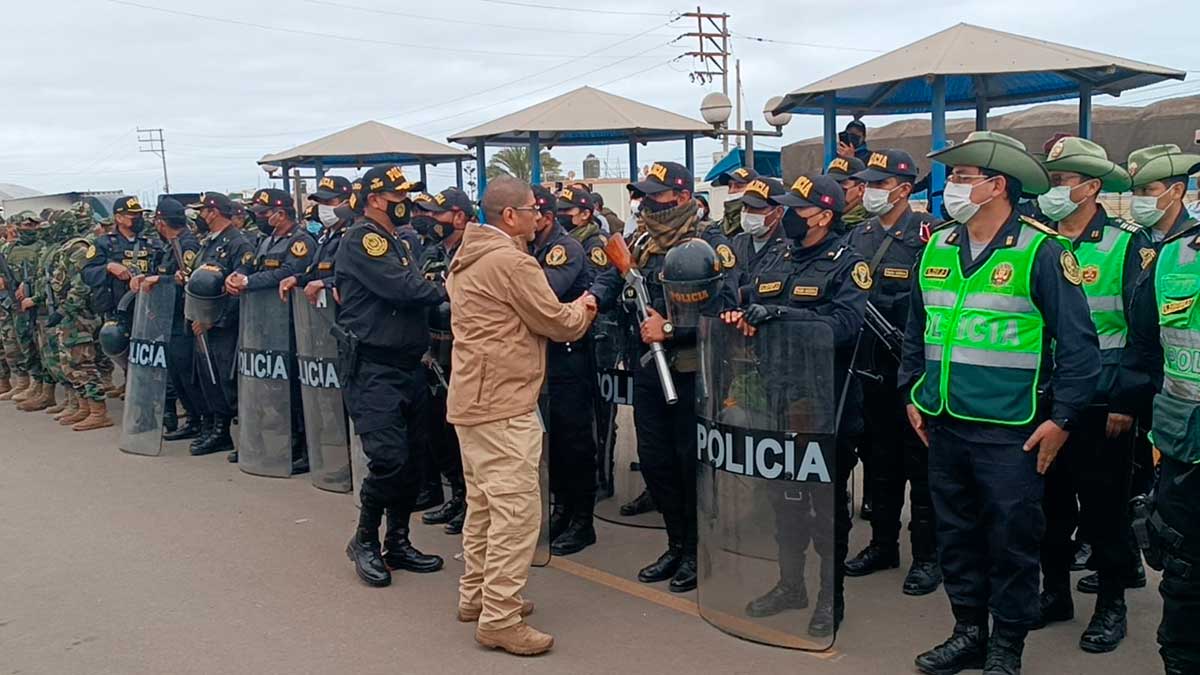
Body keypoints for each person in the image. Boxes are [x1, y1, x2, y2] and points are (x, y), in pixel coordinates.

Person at [901, 131, 1101, 675]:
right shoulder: (938, 245)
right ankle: (968, 631)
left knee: (1012, 543)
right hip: (942, 423)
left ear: (997, 186)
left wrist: (1062, 419)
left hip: (1010, 430)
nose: (952, 188)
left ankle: (1005, 647)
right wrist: (912, 391)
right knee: (957, 538)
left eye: (963, 178)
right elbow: (917, 330)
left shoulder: (1042, 251)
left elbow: (1080, 348)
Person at [445, 175, 596, 656]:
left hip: (473, 397)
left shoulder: (468, 255)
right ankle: (500, 618)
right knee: (517, 512)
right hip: (504, 403)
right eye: (532, 209)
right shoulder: (511, 262)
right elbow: (558, 321)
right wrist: (589, 302)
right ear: (509, 216)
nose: (539, 215)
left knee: (485, 506)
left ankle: (476, 596)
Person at [723, 172, 868, 636]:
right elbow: (747, 294)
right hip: (775, 396)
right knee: (783, 500)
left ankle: (831, 597)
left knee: (825, 508)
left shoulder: (849, 262)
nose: (787, 217)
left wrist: (782, 314)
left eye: (797, 210)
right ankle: (791, 585)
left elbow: (845, 325)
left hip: (824, 402)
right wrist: (733, 308)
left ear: (825, 216)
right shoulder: (779, 256)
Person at [590, 161, 736, 593]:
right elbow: (613, 285)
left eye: (659, 196)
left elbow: (724, 316)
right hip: (650, 369)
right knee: (655, 463)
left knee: (689, 464)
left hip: (696, 373)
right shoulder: (642, 245)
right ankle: (675, 544)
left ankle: (697, 550)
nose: (649, 204)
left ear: (684, 198)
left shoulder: (712, 245)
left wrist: (671, 330)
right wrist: (594, 298)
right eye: (644, 196)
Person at [1027, 137, 1146, 654]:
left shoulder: (1126, 243)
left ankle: (1111, 605)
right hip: (1046, 398)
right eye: (1051, 181)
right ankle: (1054, 594)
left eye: (1063, 181)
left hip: (1103, 401)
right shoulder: (1038, 239)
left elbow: (1143, 330)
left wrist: (1126, 399)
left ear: (1092, 187)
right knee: (1049, 509)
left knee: (1104, 510)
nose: (1054, 191)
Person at [1112, 144, 1200, 675]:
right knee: (1185, 578)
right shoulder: (1176, 254)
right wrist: (1129, 405)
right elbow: (1145, 345)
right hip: (1186, 448)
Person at [336, 165, 445, 589]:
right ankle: (365, 540)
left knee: (414, 460)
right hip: (374, 367)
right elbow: (406, 289)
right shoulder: (365, 238)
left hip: (407, 364)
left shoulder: (396, 241)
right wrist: (453, 288)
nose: (408, 204)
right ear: (377, 200)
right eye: (400, 197)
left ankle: (397, 541)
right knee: (389, 459)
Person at [841, 149, 942, 596]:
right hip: (869, 370)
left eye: (879, 184)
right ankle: (883, 543)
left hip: (911, 371)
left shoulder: (929, 235)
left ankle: (927, 556)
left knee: (920, 467)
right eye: (867, 183)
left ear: (903, 189)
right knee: (878, 462)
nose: (869, 191)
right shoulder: (859, 235)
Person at [226, 188, 315, 472]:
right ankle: (278, 442)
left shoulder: (300, 241)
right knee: (270, 389)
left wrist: (250, 283)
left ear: (281, 212)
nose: (260, 219)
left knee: (294, 390)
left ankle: (302, 447)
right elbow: (251, 266)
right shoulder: (265, 240)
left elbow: (287, 273)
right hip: (265, 324)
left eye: (264, 214)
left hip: (292, 325)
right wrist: (239, 274)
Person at [534, 185, 602, 556]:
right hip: (546, 356)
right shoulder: (533, 249)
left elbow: (543, 292)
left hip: (570, 355)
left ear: (544, 218)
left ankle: (582, 520)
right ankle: (562, 509)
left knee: (575, 441)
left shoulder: (565, 249)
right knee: (554, 441)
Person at [413, 187, 475, 535]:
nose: (430, 220)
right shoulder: (432, 252)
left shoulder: (475, 253)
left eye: (437, 214)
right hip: (434, 354)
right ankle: (457, 494)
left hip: (465, 355)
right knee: (439, 431)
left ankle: (471, 501)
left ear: (459, 217)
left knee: (465, 434)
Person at [185, 192, 254, 457]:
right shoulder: (209, 242)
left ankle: (243, 436)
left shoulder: (238, 243)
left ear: (214, 212)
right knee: (208, 380)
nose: (201, 216)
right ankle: (219, 431)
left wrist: (213, 320)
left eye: (203, 211)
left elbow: (239, 287)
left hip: (224, 326)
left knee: (228, 382)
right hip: (200, 321)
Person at [134, 197, 204, 441]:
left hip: (184, 318)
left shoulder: (186, 245)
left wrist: (159, 281)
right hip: (168, 317)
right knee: (176, 374)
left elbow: (188, 279)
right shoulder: (169, 245)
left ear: (162, 222)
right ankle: (193, 420)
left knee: (188, 374)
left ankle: (202, 421)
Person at [81, 195, 156, 398]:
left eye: (140, 215)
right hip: (118, 306)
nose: (138, 219)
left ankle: (145, 386)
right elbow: (87, 273)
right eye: (133, 216)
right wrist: (108, 267)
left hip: (148, 306)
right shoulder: (103, 244)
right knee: (118, 344)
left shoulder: (151, 242)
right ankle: (130, 379)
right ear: (119, 218)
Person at [51, 205, 111, 430]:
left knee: (83, 362)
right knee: (70, 364)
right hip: (70, 313)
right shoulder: (65, 247)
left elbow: (82, 284)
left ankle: (98, 411)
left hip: (80, 315)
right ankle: (84, 407)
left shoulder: (79, 248)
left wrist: (64, 309)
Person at [279, 175, 354, 307]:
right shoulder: (326, 237)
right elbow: (315, 273)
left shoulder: (354, 235)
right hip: (327, 312)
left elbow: (358, 276)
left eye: (328, 202)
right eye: (320, 203)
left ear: (347, 203)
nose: (323, 207)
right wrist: (297, 279)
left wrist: (326, 283)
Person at [727, 177, 791, 297]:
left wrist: (742, 294)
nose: (748, 212)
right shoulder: (737, 241)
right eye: (745, 207)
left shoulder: (790, 247)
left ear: (778, 212)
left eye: (756, 208)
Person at [825, 157, 869, 232]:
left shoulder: (868, 226)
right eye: (831, 182)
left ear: (861, 189)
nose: (835, 188)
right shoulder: (822, 219)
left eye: (841, 183)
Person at [713, 166, 758, 237]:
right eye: (730, 186)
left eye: (739, 186)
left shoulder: (755, 226)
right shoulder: (720, 226)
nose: (731, 191)